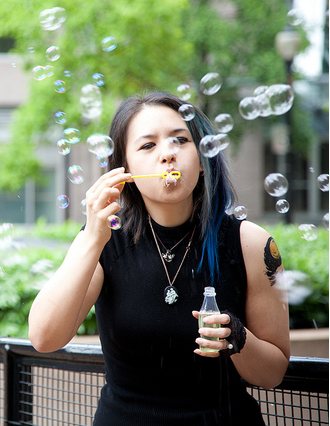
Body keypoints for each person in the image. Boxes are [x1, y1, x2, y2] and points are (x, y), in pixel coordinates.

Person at [28, 92, 290, 425]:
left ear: (201, 156)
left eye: (180, 140)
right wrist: (92, 239)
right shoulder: (103, 240)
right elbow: (44, 337)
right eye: (147, 146)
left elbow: (273, 373)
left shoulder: (251, 243)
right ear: (125, 169)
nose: (167, 154)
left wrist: (237, 338)